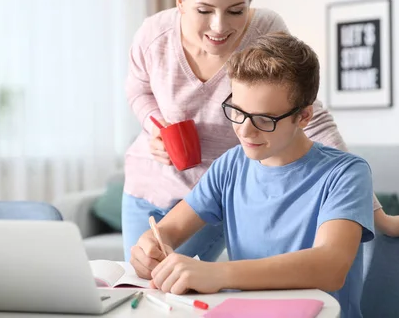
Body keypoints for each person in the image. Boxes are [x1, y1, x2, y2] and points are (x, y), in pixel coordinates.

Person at [123, 0, 399, 262]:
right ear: (179, 0)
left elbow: (307, 112)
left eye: (235, 11)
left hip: (214, 190)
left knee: (182, 291)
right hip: (148, 183)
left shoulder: (265, 30)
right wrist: (156, 126)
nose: (219, 26)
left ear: (250, 4)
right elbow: (138, 89)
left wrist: (377, 216)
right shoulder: (153, 34)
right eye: (204, 10)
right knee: (143, 283)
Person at [131, 32, 374, 317]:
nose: (244, 130)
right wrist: (149, 245)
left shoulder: (345, 173)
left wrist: (216, 274)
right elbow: (168, 230)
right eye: (237, 111)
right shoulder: (230, 165)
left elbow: (330, 267)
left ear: (304, 117)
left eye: (263, 119)